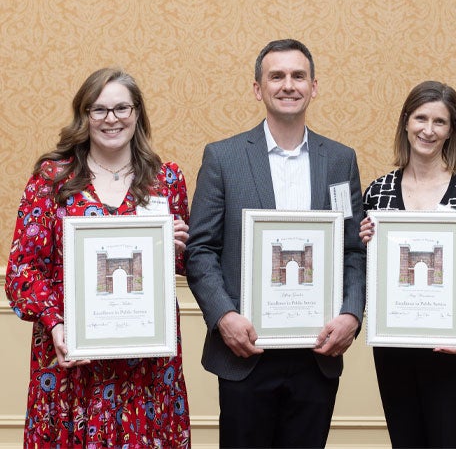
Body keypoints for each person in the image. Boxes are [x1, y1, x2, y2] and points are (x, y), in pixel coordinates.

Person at [185, 39, 366, 448]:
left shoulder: (340, 160)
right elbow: (200, 250)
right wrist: (224, 316)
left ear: (314, 86)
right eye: (277, 76)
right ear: (258, 88)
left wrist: (351, 315)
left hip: (317, 352)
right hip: (244, 351)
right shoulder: (223, 158)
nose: (288, 85)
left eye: (298, 76)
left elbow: (352, 249)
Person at [5, 68, 191, 447]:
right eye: (99, 109)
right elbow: (22, 269)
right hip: (71, 358)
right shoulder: (52, 180)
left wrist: (178, 248)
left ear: (137, 113)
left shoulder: (166, 180)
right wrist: (56, 325)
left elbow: (185, 266)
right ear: (84, 114)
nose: (112, 119)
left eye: (122, 108)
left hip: (146, 368)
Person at [360, 80, 456, 448]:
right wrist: (363, 242)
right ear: (406, 121)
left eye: (440, 121)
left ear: (452, 130)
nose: (428, 129)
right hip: (393, 348)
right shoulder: (378, 192)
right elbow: (364, 267)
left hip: (452, 350)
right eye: (421, 117)